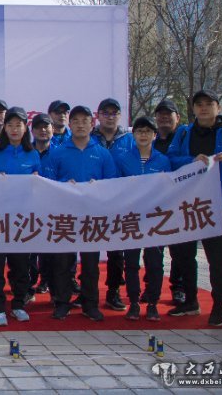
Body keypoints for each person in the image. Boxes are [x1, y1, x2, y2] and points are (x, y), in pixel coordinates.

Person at [167, 90, 222, 326]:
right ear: (193, 109)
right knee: (184, 256)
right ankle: (191, 300)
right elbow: (171, 160)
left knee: (217, 259)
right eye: (199, 104)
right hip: (186, 204)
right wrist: (191, 160)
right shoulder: (183, 133)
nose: (203, 108)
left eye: (208, 104)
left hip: (214, 206)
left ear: (217, 108)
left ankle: (218, 305)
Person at [43, 105, 117, 322]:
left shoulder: (102, 153)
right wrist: (64, 185)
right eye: (75, 121)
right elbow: (48, 183)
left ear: (92, 124)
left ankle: (90, 303)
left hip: (92, 217)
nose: (80, 125)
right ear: (70, 124)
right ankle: (62, 302)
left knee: (91, 264)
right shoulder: (58, 152)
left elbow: (112, 183)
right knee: (63, 262)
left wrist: (98, 187)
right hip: (65, 215)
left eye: (85, 121)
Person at [0, 107, 40, 326]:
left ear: (26, 128)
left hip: (22, 218)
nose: (14, 129)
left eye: (19, 125)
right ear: (4, 128)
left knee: (21, 265)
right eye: (10, 125)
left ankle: (18, 304)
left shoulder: (32, 153)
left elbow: (41, 183)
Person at [112, 116, 170, 322]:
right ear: (133, 135)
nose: (143, 135)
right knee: (131, 263)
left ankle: (152, 303)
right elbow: (115, 187)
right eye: (139, 131)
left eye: (148, 132)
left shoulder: (163, 160)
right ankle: (134, 302)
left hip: (155, 219)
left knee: (155, 263)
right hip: (131, 218)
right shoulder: (123, 159)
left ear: (155, 135)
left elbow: (169, 189)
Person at [91, 98, 135, 313]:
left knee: (117, 250)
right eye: (105, 113)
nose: (109, 117)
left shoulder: (130, 140)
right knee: (89, 248)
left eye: (114, 113)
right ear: (98, 115)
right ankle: (87, 292)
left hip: (120, 202)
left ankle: (113, 290)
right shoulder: (89, 138)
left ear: (120, 116)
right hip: (92, 201)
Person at [151, 99, 185, 304]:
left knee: (179, 249)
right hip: (153, 203)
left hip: (178, 201)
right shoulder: (151, 141)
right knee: (153, 249)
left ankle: (178, 288)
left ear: (177, 118)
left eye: (168, 114)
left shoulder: (184, 139)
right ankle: (151, 287)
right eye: (160, 114)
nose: (164, 117)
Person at [29, 113, 55, 297]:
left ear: (52, 130)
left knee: (51, 252)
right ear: (32, 131)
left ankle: (48, 282)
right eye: (38, 127)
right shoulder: (25, 152)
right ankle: (29, 286)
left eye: (46, 127)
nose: (43, 130)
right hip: (28, 210)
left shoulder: (60, 153)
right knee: (29, 251)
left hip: (52, 210)